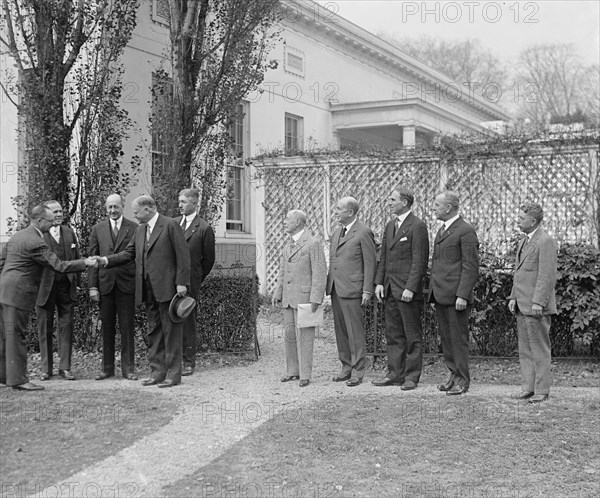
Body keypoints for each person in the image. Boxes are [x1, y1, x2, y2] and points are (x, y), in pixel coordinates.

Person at [0, 204, 96, 391]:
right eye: (50, 220)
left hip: (5, 291)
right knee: (17, 335)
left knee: (5, 335)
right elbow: (59, 265)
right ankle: (19, 380)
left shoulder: (19, 236)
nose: (52, 223)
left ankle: (5, 376)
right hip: (18, 294)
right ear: (39, 220)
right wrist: (85, 262)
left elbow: (1, 261)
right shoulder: (36, 241)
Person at [97, 195, 190, 388]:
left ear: (148, 210)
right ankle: (157, 372)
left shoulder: (170, 225)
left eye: (136, 211)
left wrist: (181, 283)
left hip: (168, 289)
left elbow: (183, 256)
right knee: (153, 331)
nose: (134, 215)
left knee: (171, 332)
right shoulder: (140, 230)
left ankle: (173, 375)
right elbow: (128, 254)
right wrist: (105, 260)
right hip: (147, 291)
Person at [373, 187, 429, 390]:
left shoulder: (418, 226)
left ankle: (412, 376)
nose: (389, 202)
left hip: (406, 292)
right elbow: (384, 258)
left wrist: (411, 288)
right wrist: (379, 282)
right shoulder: (390, 226)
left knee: (412, 335)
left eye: (392, 199)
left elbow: (419, 261)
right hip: (389, 289)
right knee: (393, 334)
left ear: (404, 202)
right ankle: (395, 373)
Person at [429, 191, 479, 396]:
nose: (434, 209)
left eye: (437, 205)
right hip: (441, 295)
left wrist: (462, 295)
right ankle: (453, 375)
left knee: (458, 339)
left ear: (448, 208)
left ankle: (462, 380)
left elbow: (470, 266)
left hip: (456, 296)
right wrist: (433, 293)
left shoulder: (465, 231)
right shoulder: (442, 230)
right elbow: (439, 265)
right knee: (447, 339)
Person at [508, 203, 557, 403]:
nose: (518, 221)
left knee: (539, 348)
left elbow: (547, 276)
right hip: (522, 304)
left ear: (533, 221)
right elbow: (519, 273)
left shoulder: (545, 242)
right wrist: (513, 297)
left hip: (536, 307)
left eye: (521, 218)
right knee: (525, 349)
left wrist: (538, 302)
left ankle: (542, 390)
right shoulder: (523, 242)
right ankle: (528, 387)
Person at [272, 210, 327, 387]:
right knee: (289, 335)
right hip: (288, 298)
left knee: (305, 336)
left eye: (287, 219)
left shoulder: (313, 243)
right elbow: (282, 272)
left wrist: (316, 298)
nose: (284, 222)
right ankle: (292, 371)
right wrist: (277, 292)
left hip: (305, 298)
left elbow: (319, 273)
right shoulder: (287, 246)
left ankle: (305, 374)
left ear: (297, 222)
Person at [326, 196, 377, 387]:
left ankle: (358, 370)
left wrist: (367, 291)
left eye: (339, 209)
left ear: (351, 212)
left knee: (355, 332)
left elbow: (370, 264)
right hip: (336, 289)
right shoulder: (337, 232)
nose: (336, 211)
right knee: (341, 331)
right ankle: (346, 367)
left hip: (354, 290)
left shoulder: (363, 233)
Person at [88, 194, 138, 381]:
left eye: (116, 207)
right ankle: (107, 368)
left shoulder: (133, 228)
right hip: (105, 285)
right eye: (109, 207)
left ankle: (128, 369)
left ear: (122, 206)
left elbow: (136, 257)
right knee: (107, 328)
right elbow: (92, 260)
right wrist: (93, 287)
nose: (112, 211)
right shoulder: (97, 229)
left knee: (127, 327)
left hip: (126, 285)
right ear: (105, 208)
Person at [36, 200, 82, 381]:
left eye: (61, 211)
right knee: (44, 328)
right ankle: (45, 369)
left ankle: (65, 367)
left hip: (66, 286)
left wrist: (77, 282)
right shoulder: (39, 235)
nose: (59, 215)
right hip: (45, 288)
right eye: (55, 212)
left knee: (66, 326)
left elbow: (76, 258)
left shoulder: (70, 233)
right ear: (47, 214)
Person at [173, 188, 215, 376]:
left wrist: (195, 279)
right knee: (170, 320)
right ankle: (172, 359)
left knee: (188, 321)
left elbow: (208, 260)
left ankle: (189, 362)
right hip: (170, 281)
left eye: (183, 202)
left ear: (194, 203)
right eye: (179, 202)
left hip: (190, 283)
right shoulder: (173, 224)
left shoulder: (204, 228)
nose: (179, 205)